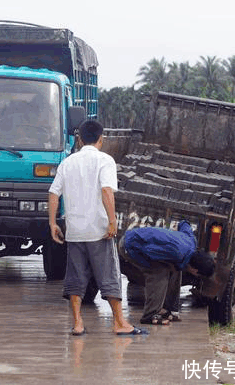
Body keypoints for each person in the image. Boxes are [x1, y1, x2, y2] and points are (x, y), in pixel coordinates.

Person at [48, 119, 148, 336]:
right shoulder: (105, 161)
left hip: (74, 231)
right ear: (101, 139)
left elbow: (53, 193)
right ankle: (120, 323)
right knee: (109, 276)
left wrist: (53, 223)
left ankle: (77, 324)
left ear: (80, 139)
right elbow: (106, 191)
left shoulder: (68, 162)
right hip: (98, 231)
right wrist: (112, 221)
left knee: (75, 278)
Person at [118, 221, 215, 325]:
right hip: (130, 246)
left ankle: (169, 310)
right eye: (198, 275)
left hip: (140, 240)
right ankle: (150, 315)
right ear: (195, 270)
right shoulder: (176, 253)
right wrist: (146, 266)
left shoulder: (191, 242)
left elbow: (184, 224)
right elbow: (148, 251)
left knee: (175, 270)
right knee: (159, 273)